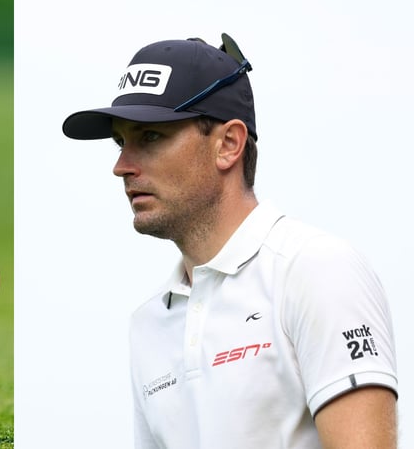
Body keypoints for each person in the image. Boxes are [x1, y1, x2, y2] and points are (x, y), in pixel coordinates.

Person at [61, 34, 398, 448]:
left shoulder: (316, 269)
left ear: (228, 144)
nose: (121, 166)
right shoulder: (148, 322)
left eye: (150, 137)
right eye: (120, 141)